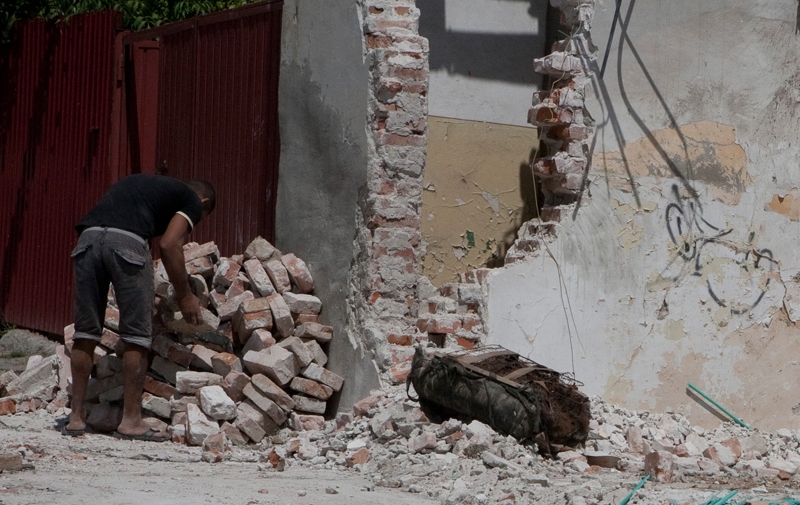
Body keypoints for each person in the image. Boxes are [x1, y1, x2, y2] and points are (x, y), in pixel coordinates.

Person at [63, 174, 216, 441]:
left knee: (86, 332)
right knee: (136, 335)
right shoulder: (191, 199)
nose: (195, 223)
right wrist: (185, 295)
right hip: (126, 243)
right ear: (203, 202)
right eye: (200, 217)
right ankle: (131, 420)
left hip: (87, 240)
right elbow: (169, 244)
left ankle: (76, 418)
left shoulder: (145, 187)